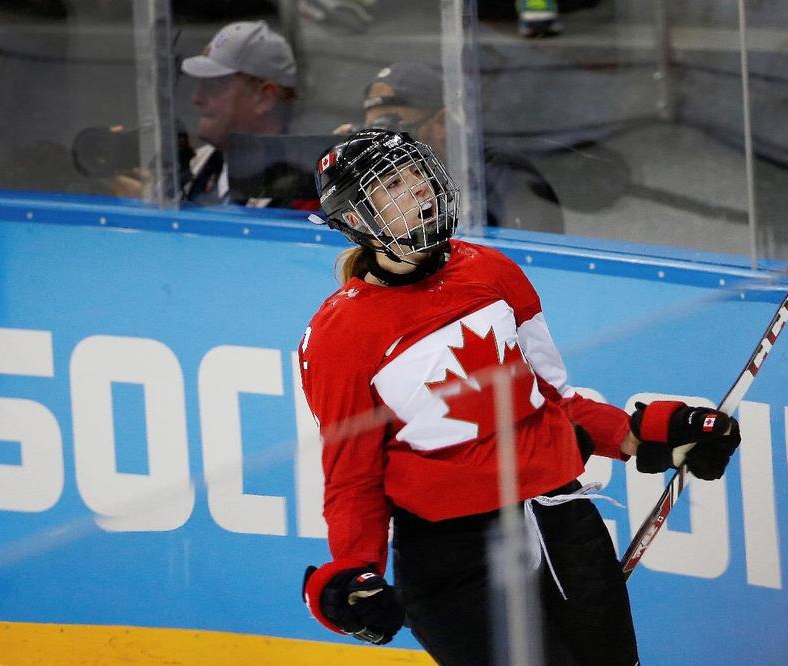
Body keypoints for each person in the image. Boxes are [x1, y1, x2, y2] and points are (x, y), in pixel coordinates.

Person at [298, 129, 741, 665]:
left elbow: (556, 402)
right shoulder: (339, 335)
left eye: (418, 173)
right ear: (357, 219)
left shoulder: (491, 271)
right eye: (392, 184)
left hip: (563, 530)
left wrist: (648, 433)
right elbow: (353, 478)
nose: (418, 190)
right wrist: (352, 572)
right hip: (453, 562)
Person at [337, 61, 566, 233]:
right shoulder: (375, 182)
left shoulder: (500, 174)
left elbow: (533, 261)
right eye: (374, 133)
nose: (385, 148)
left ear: (442, 123)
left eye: (395, 132)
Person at [108, 20, 312, 208]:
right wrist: (146, 206)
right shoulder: (195, 166)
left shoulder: (308, 192)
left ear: (265, 98)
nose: (196, 98)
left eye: (214, 86)